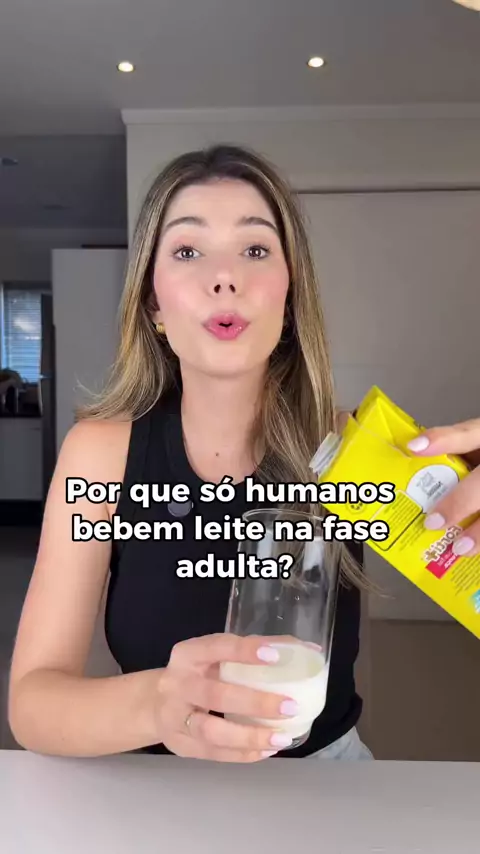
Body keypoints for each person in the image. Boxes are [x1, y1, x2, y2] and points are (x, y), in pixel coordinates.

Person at [8, 144, 480, 763]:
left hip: (324, 784)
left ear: (289, 295)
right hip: (156, 790)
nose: (224, 277)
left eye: (255, 250)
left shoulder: (355, 451)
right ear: (153, 303)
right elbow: (33, 704)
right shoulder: (100, 454)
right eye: (187, 251)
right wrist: (158, 705)